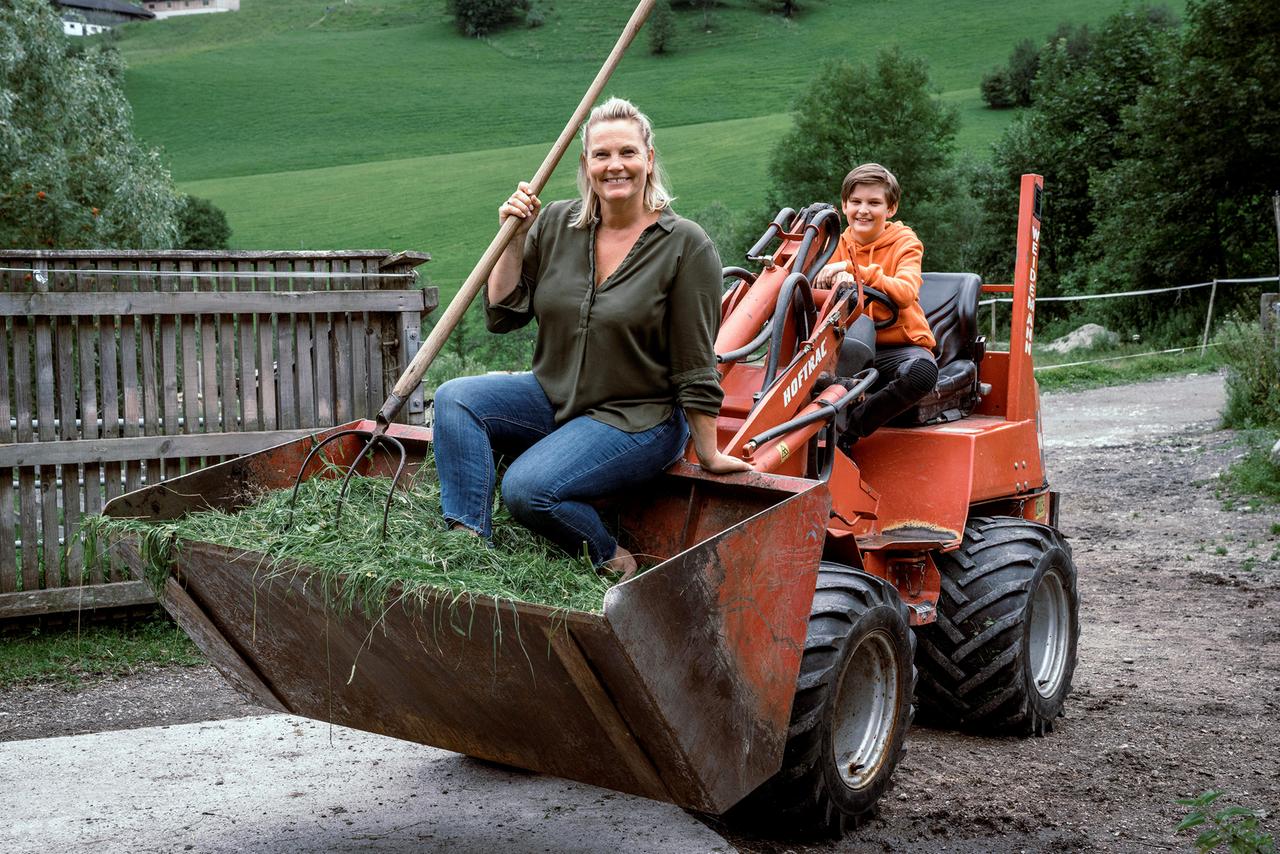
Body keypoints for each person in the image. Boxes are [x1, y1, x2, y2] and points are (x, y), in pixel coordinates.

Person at [432, 97, 751, 580]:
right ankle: (468, 544)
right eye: (601, 154)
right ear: (586, 163)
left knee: (527, 489)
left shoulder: (685, 244)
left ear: (648, 158)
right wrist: (513, 236)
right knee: (455, 397)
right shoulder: (556, 223)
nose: (614, 165)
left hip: (637, 417)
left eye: (627, 152)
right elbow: (503, 312)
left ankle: (609, 555)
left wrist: (708, 452)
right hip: (553, 396)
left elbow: (694, 361)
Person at [814, 162, 938, 438]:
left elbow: (905, 292)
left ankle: (850, 432)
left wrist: (853, 271)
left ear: (890, 208)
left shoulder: (905, 243)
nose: (863, 210)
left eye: (874, 203)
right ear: (844, 206)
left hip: (894, 348)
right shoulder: (831, 246)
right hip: (845, 347)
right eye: (856, 201)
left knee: (922, 373)